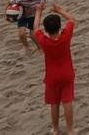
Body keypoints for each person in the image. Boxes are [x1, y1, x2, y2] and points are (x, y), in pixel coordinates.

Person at [33, 7, 77, 135]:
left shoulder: (44, 41)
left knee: (54, 103)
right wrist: (60, 11)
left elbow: (35, 28)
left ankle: (56, 129)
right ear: (59, 27)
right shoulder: (65, 37)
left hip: (52, 76)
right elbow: (72, 19)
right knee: (67, 102)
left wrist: (38, 12)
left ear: (46, 30)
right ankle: (70, 129)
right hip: (67, 74)